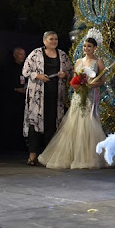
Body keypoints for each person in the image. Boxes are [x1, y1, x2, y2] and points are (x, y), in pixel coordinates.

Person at [38, 35, 107, 169]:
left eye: (89, 46)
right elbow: (74, 78)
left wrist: (89, 86)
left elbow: (102, 81)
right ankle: (71, 155)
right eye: (85, 46)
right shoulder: (78, 62)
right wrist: (77, 85)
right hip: (78, 95)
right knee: (73, 122)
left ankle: (87, 156)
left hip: (90, 95)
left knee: (88, 122)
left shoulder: (98, 62)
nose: (86, 48)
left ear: (95, 48)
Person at [23, 31, 72, 165]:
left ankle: (49, 156)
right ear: (44, 41)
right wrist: (38, 76)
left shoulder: (62, 55)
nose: (54, 41)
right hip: (37, 97)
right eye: (51, 39)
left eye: (56, 39)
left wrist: (65, 74)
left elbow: (71, 72)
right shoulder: (36, 53)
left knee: (52, 125)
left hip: (56, 96)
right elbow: (25, 71)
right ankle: (32, 156)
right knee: (35, 124)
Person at [0, 47, 27, 151]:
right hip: (9, 100)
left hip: (21, 101)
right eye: (20, 54)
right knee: (7, 122)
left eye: (24, 54)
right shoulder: (7, 67)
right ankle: (5, 146)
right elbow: (2, 82)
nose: (22, 57)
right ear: (14, 55)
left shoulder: (25, 69)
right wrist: (15, 89)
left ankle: (19, 145)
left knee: (19, 122)